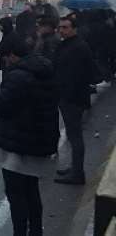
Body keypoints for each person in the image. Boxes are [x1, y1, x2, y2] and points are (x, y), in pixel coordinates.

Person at [0, 39, 59, 236]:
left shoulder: (18, 76)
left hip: (19, 142)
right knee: (31, 191)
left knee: (16, 194)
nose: (5, 61)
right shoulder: (44, 69)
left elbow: (3, 106)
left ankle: (20, 232)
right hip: (39, 138)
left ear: (13, 55)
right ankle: (35, 231)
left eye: (6, 57)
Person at [54, 16, 94, 185]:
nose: (62, 30)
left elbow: (75, 77)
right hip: (69, 97)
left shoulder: (77, 47)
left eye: (66, 27)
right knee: (72, 135)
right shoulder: (69, 45)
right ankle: (75, 168)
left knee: (75, 136)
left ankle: (78, 174)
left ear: (74, 29)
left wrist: (65, 97)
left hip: (73, 99)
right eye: (60, 27)